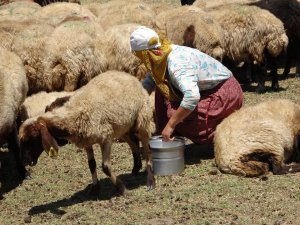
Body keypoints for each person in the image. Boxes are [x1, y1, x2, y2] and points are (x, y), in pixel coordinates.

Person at [130, 26, 243, 144]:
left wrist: (171, 124)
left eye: (140, 55)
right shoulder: (162, 54)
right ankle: (166, 135)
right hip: (207, 89)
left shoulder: (176, 63)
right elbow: (151, 81)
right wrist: (135, 103)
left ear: (146, 53)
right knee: (161, 91)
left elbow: (192, 97)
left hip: (226, 94)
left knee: (174, 115)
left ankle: (226, 135)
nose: (140, 60)